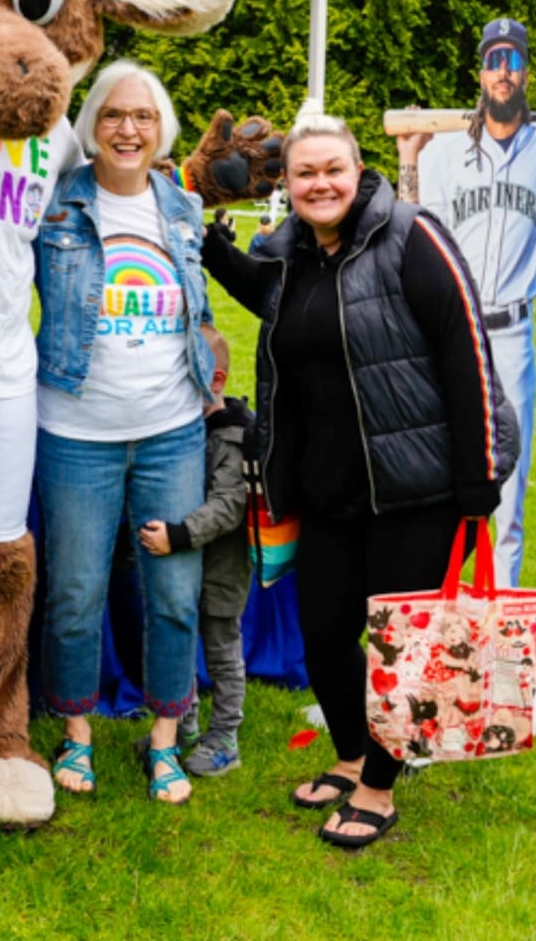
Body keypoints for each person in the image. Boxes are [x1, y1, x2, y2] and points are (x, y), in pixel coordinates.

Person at [202, 111, 514, 850]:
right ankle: (349, 753)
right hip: (329, 489)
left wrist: (480, 480)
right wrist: (204, 229)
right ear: (289, 184)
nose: (320, 184)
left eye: (332, 170)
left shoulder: (411, 235)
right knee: (323, 636)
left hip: (421, 488)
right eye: (304, 173)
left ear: (357, 170)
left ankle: (379, 786)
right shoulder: (291, 257)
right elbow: (268, 298)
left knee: (402, 648)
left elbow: (466, 350)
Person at [33, 61, 214, 806]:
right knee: (74, 593)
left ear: (161, 129)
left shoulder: (181, 210)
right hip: (75, 432)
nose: (128, 129)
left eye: (142, 116)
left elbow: (196, 310)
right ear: (91, 127)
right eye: (112, 115)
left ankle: (164, 739)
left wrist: (210, 354)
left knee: (172, 593)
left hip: (172, 432)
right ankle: (75, 735)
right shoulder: (55, 207)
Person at [394, 16, 536, 586]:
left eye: (513, 60)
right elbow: (410, 225)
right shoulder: (446, 146)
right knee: (434, 466)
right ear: (479, 71)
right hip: (449, 326)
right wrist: (409, 155)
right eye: (493, 60)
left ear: (526, 70)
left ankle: (500, 618)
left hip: (511, 336)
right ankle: (431, 599)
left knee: (510, 478)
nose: (503, 72)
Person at [139, 323, 253, 779]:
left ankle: (225, 736)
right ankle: (180, 726)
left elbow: (229, 505)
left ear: (216, 381)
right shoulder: (182, 433)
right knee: (180, 643)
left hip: (222, 570)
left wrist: (181, 535)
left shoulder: (233, 439)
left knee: (222, 651)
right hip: (185, 566)